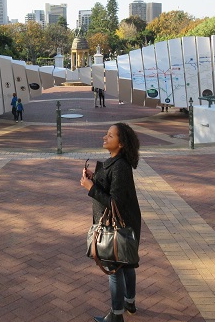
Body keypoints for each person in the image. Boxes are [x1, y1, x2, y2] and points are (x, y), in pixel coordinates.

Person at [80, 123, 142, 322]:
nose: (104, 137)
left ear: (121, 143)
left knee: (115, 270)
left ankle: (116, 316)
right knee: (127, 264)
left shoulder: (121, 167)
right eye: (106, 134)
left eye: (110, 135)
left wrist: (91, 187)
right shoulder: (115, 162)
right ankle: (129, 303)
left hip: (118, 226)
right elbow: (113, 190)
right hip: (126, 223)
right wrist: (95, 179)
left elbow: (115, 202)